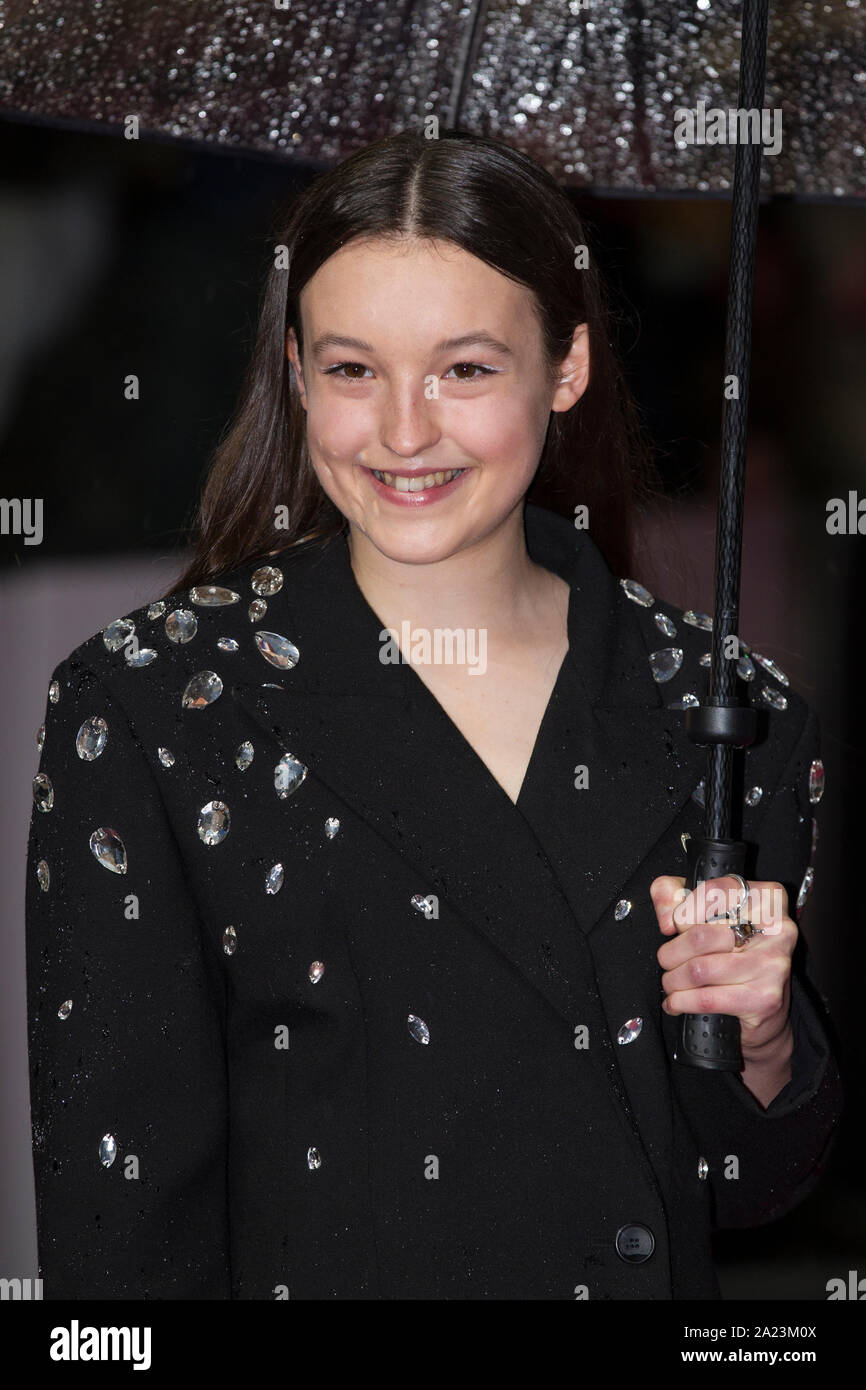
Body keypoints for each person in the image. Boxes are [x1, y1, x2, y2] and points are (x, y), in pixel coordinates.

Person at [26, 130, 842, 1300]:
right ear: (297, 372)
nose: (404, 433)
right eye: (354, 370)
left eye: (464, 369)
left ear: (564, 367)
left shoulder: (724, 715)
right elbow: (119, 1219)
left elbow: (744, 1185)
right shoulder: (155, 705)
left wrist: (760, 1039)